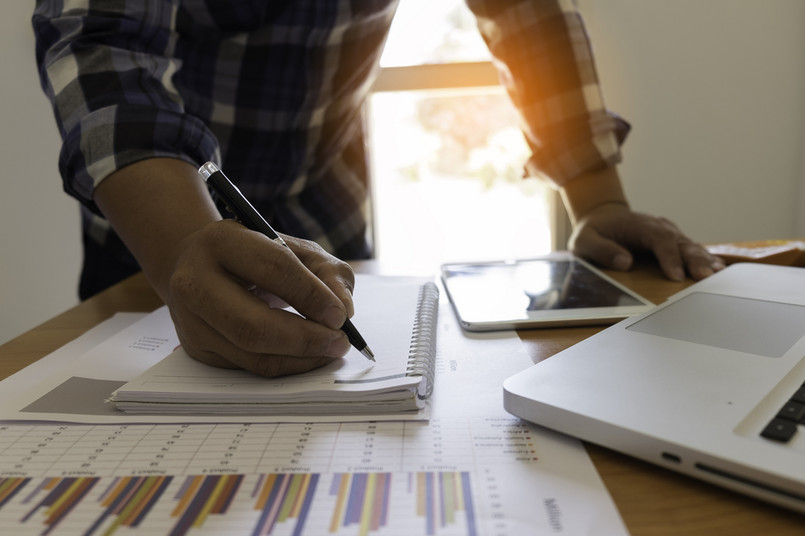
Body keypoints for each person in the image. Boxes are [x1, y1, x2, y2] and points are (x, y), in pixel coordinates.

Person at [32, 0, 723, 378]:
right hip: (155, 237)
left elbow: (524, 10)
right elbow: (100, 35)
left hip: (330, 213)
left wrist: (596, 194)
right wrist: (181, 239)